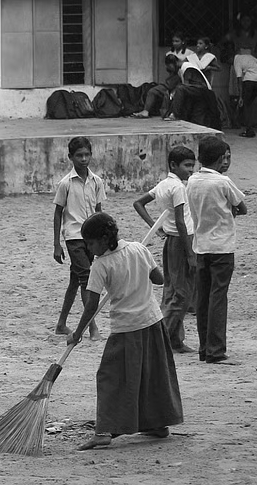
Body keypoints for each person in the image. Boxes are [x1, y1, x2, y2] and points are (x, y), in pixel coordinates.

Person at [67, 212, 184, 450]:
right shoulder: (138, 249)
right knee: (152, 375)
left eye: (90, 243)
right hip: (152, 321)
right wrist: (137, 271)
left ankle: (103, 431)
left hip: (126, 328)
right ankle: (158, 424)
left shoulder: (101, 265)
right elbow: (159, 278)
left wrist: (78, 331)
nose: (89, 249)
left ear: (103, 239)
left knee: (109, 378)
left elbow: (91, 304)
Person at [186, 135, 247, 364]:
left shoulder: (192, 181)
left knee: (203, 298)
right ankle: (216, 350)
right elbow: (242, 207)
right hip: (222, 246)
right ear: (222, 158)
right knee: (218, 297)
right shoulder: (223, 182)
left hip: (201, 245)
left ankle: (204, 348)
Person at [134, 145, 197, 353]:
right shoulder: (178, 187)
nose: (190, 170)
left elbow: (139, 203)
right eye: (187, 165)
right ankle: (163, 339)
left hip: (170, 241)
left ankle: (176, 340)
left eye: (192, 166)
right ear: (173, 165)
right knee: (182, 294)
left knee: (172, 291)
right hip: (181, 240)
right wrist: (190, 253)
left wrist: (155, 226)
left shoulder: (163, 185)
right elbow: (181, 221)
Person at [53, 136, 105, 339]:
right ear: (71, 158)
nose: (83, 159)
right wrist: (57, 244)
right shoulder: (65, 183)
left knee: (75, 280)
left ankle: (61, 323)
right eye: (79, 156)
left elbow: (99, 211)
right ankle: (92, 328)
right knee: (86, 280)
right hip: (73, 236)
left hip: (91, 238)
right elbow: (58, 212)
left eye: (86, 155)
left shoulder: (97, 181)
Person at [222, 15, 257, 138]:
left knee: (244, 102)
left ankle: (248, 127)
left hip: (246, 76)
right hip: (252, 74)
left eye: (248, 20)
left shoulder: (256, 34)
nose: (246, 23)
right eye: (243, 20)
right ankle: (239, 122)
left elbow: (239, 80)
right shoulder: (235, 34)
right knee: (242, 100)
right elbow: (223, 42)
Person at [141, 54, 181, 118]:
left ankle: (146, 111)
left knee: (152, 91)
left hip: (173, 87)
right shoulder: (173, 70)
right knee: (151, 90)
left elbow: (170, 85)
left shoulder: (179, 70)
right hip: (169, 86)